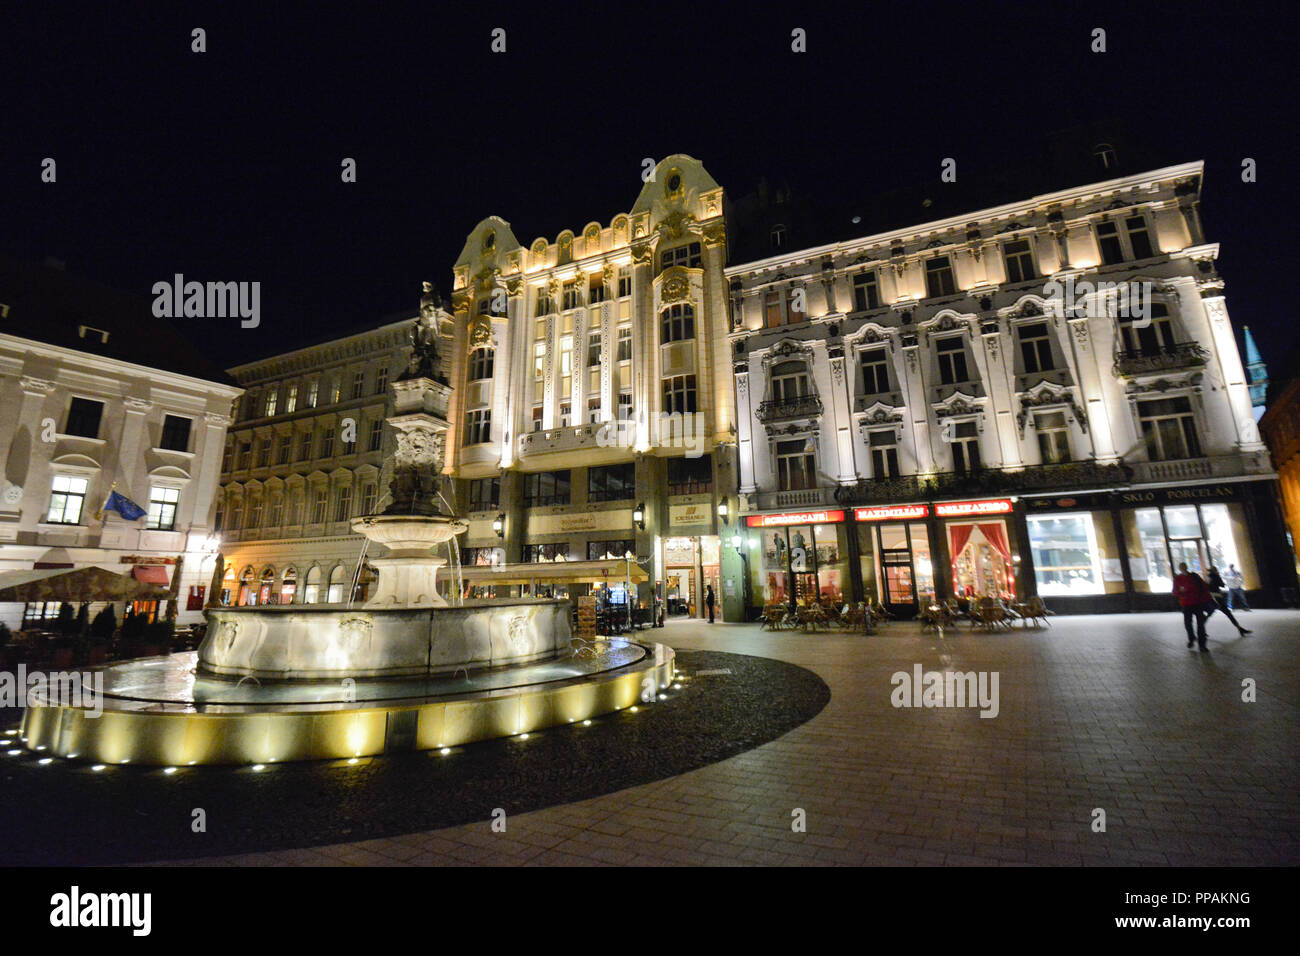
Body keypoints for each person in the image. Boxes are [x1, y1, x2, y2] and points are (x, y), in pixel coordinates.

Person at [1172, 562, 1215, 651]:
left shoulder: (1194, 577)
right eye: (1182, 567)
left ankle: (1202, 645)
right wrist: (1181, 592)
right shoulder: (1178, 579)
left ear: (1186, 567)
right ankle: (1192, 639)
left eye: (1184, 567)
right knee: (1188, 624)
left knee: (1200, 625)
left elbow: (1204, 587)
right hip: (1187, 604)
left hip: (1197, 603)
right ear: (1180, 569)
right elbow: (1175, 592)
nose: (1183, 569)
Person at [1205, 566, 1251, 636]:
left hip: (1211, 598)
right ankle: (1239, 628)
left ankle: (1201, 629)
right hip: (1218, 597)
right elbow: (1222, 585)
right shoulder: (1216, 576)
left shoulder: (1208, 577)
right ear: (1215, 570)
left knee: (1209, 613)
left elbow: (1206, 586)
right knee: (1228, 613)